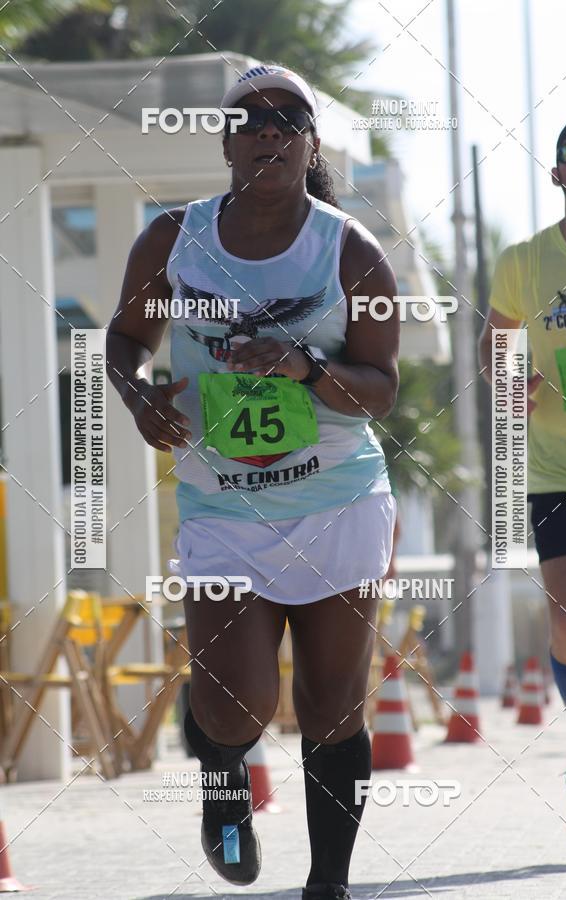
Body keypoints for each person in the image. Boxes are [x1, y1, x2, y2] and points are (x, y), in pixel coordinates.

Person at [106, 64, 400, 899]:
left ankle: (328, 884)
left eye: (287, 119)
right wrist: (136, 400)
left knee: (332, 703)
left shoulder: (352, 251)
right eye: (251, 120)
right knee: (234, 703)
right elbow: (123, 339)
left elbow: (382, 389)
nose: (268, 131)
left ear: (309, 143)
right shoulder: (171, 240)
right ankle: (223, 779)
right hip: (223, 508)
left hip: (336, 499)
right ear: (227, 143)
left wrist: (306, 367)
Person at [479, 117, 566, 839]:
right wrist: (508, 380)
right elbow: (496, 348)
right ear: (556, 175)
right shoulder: (524, 261)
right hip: (559, 467)